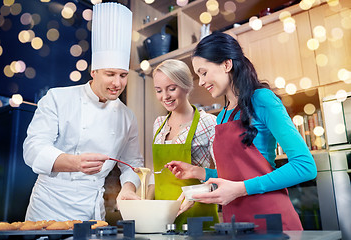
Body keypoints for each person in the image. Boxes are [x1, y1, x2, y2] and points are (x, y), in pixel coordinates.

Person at [165, 32, 317, 230]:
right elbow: (236, 176)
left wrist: (241, 189)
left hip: (272, 221)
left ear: (227, 65)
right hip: (236, 224)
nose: (200, 82)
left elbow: (305, 166)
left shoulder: (262, 100)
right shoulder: (222, 117)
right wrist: (198, 172)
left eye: (203, 72)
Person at [23, 2, 143, 221]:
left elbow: (133, 165)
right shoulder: (58, 98)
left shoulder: (127, 117)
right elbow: (32, 150)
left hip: (91, 210)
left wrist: (128, 189)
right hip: (48, 207)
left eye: (123, 75)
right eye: (110, 74)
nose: (117, 83)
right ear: (93, 71)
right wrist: (75, 162)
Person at [150, 59, 219, 230]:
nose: (165, 96)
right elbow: (157, 174)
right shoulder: (159, 124)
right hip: (163, 218)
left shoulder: (209, 123)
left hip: (198, 216)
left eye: (171, 89)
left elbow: (224, 176)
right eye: (159, 90)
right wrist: (145, 205)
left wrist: (195, 194)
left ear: (187, 86)